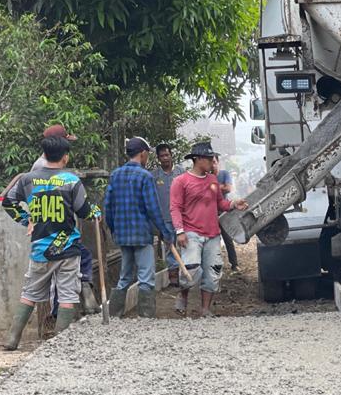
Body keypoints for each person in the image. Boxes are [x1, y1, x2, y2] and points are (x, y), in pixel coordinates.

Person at [1, 135, 101, 350]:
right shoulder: (71, 181)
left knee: (30, 293)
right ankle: (59, 343)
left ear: (44, 155)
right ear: (65, 157)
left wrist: (26, 220)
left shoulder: (27, 180)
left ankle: (12, 339)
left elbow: (7, 202)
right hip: (67, 248)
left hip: (40, 248)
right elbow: (83, 211)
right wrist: (95, 211)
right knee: (67, 294)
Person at [170, 142, 248, 317]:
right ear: (197, 159)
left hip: (212, 234)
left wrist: (234, 204)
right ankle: (183, 295)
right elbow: (175, 207)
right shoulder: (181, 181)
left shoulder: (213, 180)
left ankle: (205, 308)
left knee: (213, 271)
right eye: (208, 158)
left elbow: (220, 203)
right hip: (191, 233)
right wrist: (180, 231)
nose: (213, 162)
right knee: (191, 269)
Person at [103, 136, 173, 319]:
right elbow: (153, 208)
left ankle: (114, 315)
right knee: (146, 278)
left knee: (124, 276)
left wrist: (113, 229)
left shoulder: (115, 175)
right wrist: (164, 232)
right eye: (147, 153)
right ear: (142, 154)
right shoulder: (145, 176)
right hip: (141, 234)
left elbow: (108, 207)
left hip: (122, 235)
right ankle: (145, 317)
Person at [151, 143, 184, 285]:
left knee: (185, 245)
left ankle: (187, 273)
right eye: (162, 156)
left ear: (171, 156)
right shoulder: (154, 176)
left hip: (182, 218)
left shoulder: (181, 173)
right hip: (164, 218)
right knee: (170, 247)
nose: (165, 158)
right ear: (158, 158)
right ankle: (173, 277)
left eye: (167, 155)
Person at [212, 154, 240, 272]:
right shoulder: (208, 177)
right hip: (212, 212)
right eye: (210, 162)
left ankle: (234, 264)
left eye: (213, 161)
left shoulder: (224, 174)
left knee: (227, 238)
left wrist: (214, 187)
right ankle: (215, 266)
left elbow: (228, 188)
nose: (212, 164)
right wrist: (220, 186)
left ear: (217, 162)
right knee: (213, 240)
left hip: (224, 211)